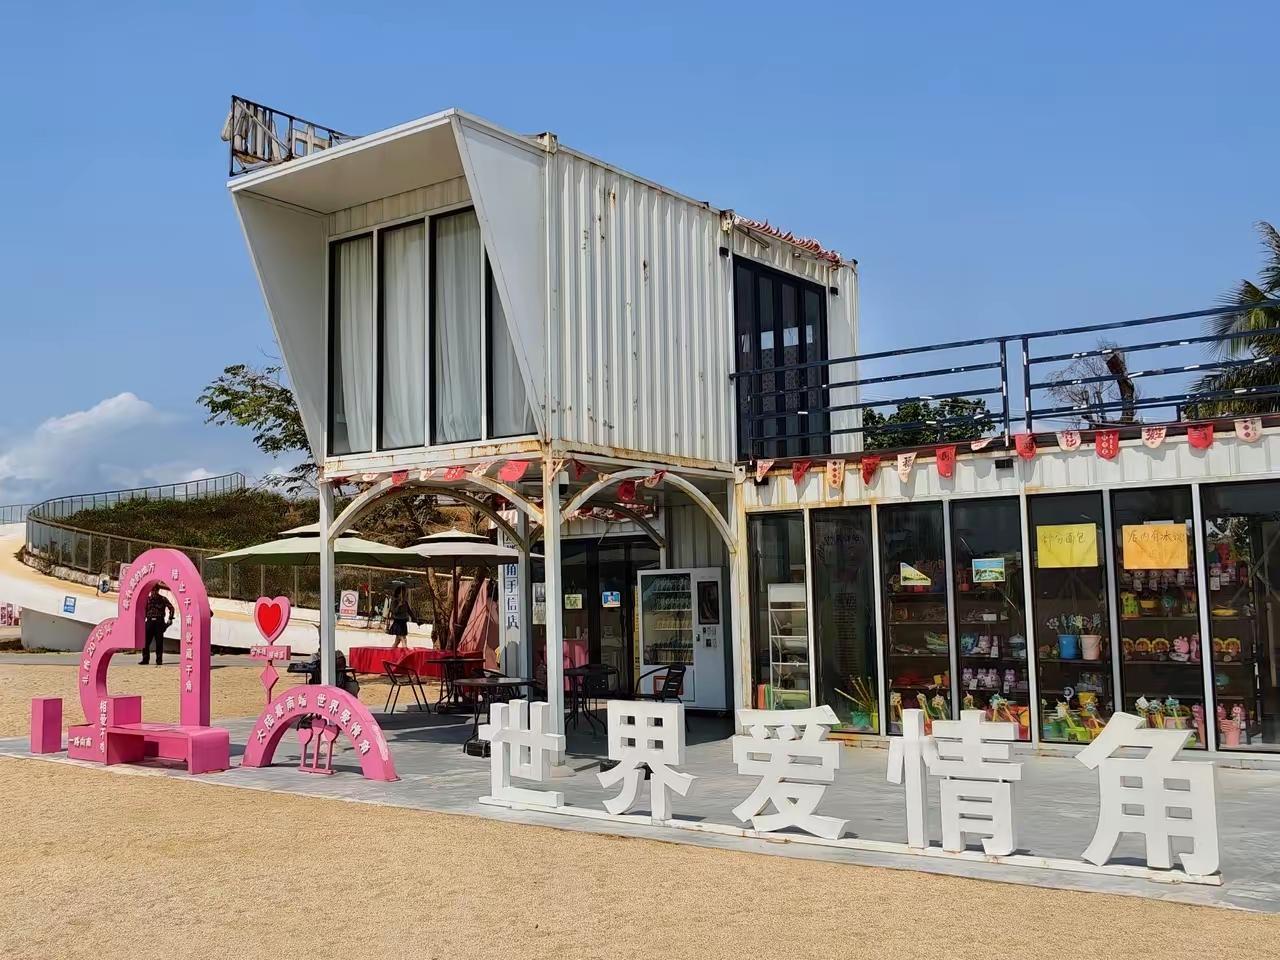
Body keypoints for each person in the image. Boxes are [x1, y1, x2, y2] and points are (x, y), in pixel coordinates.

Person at [140, 585, 174, 666]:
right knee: (145, 642)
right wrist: (141, 620)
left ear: (158, 590)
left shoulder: (163, 599)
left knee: (159, 642)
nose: (153, 592)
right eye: (152, 590)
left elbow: (171, 608)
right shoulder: (147, 599)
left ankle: (159, 660)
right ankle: (145, 659)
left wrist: (170, 618)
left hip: (159, 621)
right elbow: (141, 609)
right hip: (149, 621)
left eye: (155, 590)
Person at [385, 585, 419, 651]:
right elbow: (394, 612)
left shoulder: (405, 602)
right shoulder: (394, 601)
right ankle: (405, 653)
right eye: (402, 593)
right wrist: (399, 605)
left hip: (403, 622)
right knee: (403, 639)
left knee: (397, 641)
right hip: (398, 623)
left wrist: (416, 620)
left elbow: (409, 612)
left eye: (404, 593)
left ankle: (391, 652)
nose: (404, 595)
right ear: (398, 594)